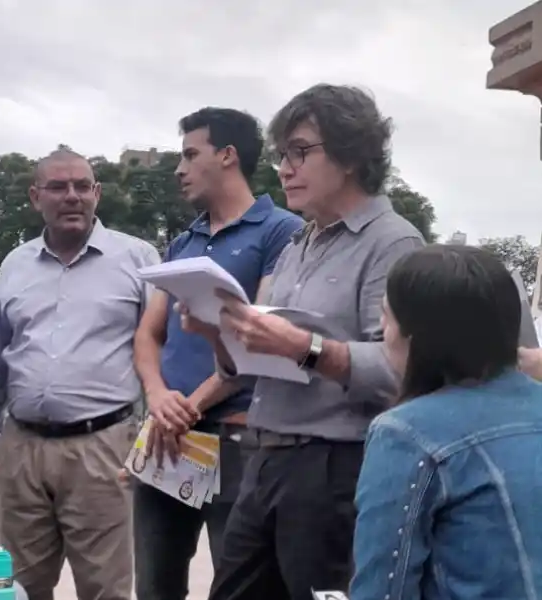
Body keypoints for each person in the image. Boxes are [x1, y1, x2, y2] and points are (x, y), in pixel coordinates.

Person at [181, 84, 425, 600]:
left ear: (353, 154)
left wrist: (303, 346)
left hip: (333, 469)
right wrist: (217, 334)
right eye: (281, 155)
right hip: (263, 457)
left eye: (301, 152)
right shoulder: (300, 241)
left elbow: (403, 373)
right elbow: (245, 370)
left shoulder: (394, 243)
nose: (284, 168)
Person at [132, 107, 303, 600]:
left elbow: (264, 334)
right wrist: (158, 396)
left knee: (240, 584)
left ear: (228, 156)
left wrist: (189, 406)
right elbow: (149, 334)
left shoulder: (281, 232)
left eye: (190, 154)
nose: (179, 169)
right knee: (155, 584)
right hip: (167, 436)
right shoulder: (183, 242)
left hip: (237, 436)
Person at [0, 148, 160, 600]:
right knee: (18, 586)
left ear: (97, 193)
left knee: (105, 588)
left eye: (82, 186)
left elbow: (161, 349)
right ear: (36, 196)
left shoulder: (139, 259)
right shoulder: (15, 265)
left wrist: (154, 430)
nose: (72, 196)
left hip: (104, 447)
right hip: (23, 446)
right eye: (58, 187)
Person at [350, 245, 542, 599]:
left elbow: (383, 589)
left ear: (416, 336)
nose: (381, 330)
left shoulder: (406, 433)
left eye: (386, 316)